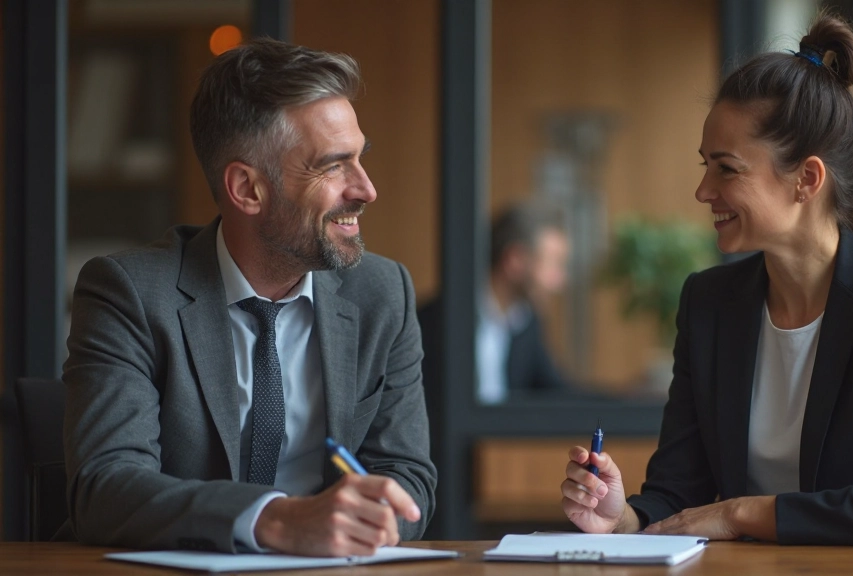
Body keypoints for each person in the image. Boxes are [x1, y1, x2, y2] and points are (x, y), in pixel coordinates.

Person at [560, 14, 853, 547]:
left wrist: (741, 514)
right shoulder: (707, 303)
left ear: (807, 179)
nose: (704, 191)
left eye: (727, 169)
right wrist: (621, 519)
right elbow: (677, 495)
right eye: (705, 165)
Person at [63, 38, 435, 556]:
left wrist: (369, 519)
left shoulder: (382, 293)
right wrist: (276, 521)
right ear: (247, 189)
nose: (366, 189)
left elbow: (406, 473)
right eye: (333, 166)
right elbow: (105, 486)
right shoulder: (128, 293)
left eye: (360, 158)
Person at [420, 201, 573, 405]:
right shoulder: (433, 322)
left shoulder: (527, 324)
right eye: (553, 264)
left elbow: (557, 392)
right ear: (515, 260)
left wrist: (622, 401)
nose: (559, 282)